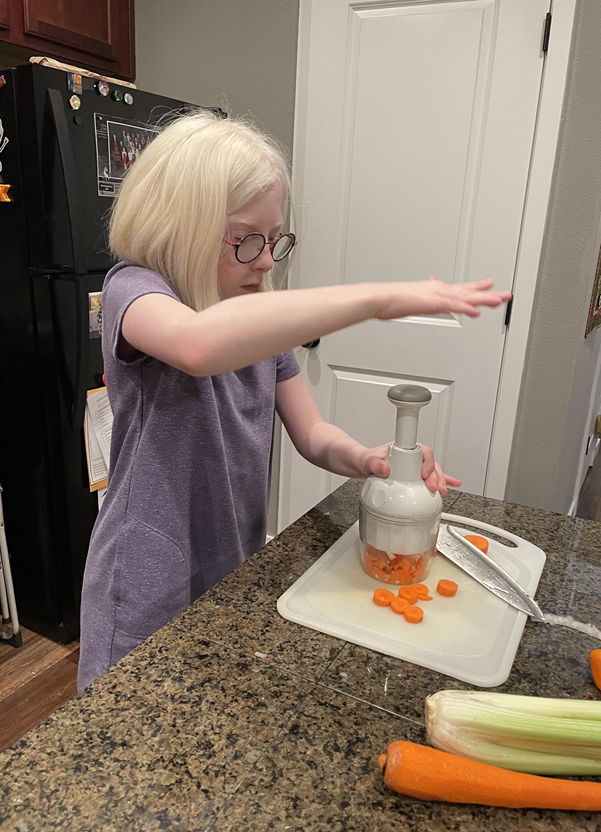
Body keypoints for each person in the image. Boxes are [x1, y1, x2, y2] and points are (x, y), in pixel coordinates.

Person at [77, 112, 511, 690]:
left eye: (274, 240)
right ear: (181, 227)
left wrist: (367, 459)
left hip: (231, 559)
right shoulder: (135, 289)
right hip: (145, 575)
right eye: (245, 239)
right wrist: (377, 299)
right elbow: (197, 344)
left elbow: (312, 434)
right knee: (125, 736)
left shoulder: (260, 320)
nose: (264, 259)